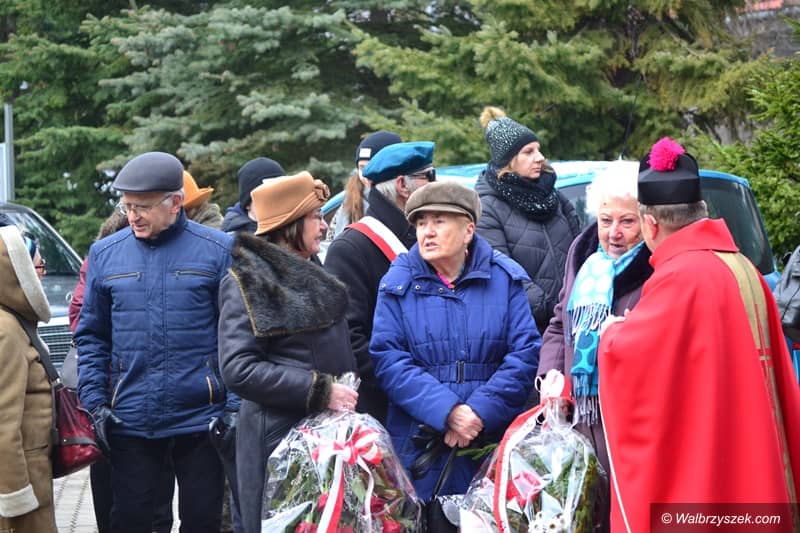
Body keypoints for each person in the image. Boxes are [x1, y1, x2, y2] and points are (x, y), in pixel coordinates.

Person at [598, 138, 800, 533]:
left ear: (651, 224)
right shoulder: (745, 268)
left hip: (711, 469)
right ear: (701, 210)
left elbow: (629, 361)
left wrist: (611, 335)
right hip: (755, 454)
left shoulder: (680, 278)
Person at [75, 151, 234, 533]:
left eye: (142, 207)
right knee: (130, 521)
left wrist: (234, 407)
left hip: (201, 419)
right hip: (130, 420)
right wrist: (95, 404)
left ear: (175, 203)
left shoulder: (218, 250)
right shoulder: (105, 254)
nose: (133, 216)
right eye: (127, 206)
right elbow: (92, 336)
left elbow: (236, 335)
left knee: (203, 522)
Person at [369, 181, 541, 502]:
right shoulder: (397, 283)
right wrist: (447, 411)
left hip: (492, 442)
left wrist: (479, 410)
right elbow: (389, 359)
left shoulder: (504, 278)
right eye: (421, 223)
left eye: (439, 221)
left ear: (468, 230)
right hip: (421, 444)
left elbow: (525, 352)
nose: (427, 232)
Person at [218, 172, 358, 533]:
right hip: (278, 441)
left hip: (323, 435)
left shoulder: (309, 266)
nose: (324, 227)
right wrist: (320, 390)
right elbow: (238, 368)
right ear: (290, 224)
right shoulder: (250, 279)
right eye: (316, 217)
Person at [535, 160, 648, 531]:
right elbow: (559, 323)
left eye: (627, 221)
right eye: (605, 220)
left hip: (630, 422)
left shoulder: (656, 268)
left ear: (648, 221)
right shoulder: (583, 257)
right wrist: (551, 373)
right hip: (580, 420)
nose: (614, 233)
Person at [67, 210, 176, 533]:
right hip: (113, 393)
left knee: (151, 491)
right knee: (118, 487)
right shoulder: (101, 261)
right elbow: (82, 321)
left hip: (146, 393)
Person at [324, 141, 436, 424]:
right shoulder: (351, 248)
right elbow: (349, 340)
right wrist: (410, 386)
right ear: (402, 185)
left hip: (430, 399)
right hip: (387, 408)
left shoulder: (421, 236)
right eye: (429, 176)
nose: (436, 184)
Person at [476, 106, 581, 334]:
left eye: (538, 150)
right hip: (531, 329)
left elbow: (581, 248)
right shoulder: (487, 208)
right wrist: (551, 309)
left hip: (574, 318)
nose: (540, 158)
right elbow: (502, 272)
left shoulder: (553, 195)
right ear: (508, 161)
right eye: (528, 152)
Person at [0, 225, 56, 533]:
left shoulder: (12, 322)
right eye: (37, 266)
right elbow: (3, 424)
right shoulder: (6, 332)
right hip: (21, 490)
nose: (42, 275)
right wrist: (15, 498)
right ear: (16, 273)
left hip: (31, 476)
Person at [329, 130, 402, 238]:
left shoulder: (409, 201)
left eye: (372, 167)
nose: (366, 175)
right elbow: (332, 242)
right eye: (362, 168)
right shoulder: (349, 203)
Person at [221, 157, 285, 234]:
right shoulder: (235, 238)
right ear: (247, 205)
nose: (276, 201)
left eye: (281, 193)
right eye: (266, 196)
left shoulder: (291, 227)